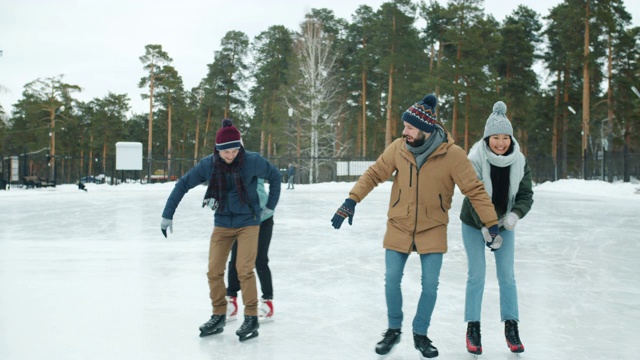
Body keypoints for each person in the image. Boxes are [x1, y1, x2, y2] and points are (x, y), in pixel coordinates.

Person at [331, 94, 501, 359]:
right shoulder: (398, 148)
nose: (404, 131)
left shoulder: (452, 155)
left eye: (409, 127)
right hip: (399, 223)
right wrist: (351, 200)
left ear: (425, 129)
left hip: (432, 227)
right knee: (391, 280)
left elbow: (474, 190)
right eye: (404, 127)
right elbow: (374, 173)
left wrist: (491, 223)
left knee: (430, 286)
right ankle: (393, 329)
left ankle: (420, 334)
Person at [160, 118, 281, 342]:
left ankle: (251, 317)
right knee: (214, 270)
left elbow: (275, 176)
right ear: (217, 149)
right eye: (226, 151)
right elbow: (183, 184)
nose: (230, 155)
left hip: (248, 222)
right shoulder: (209, 165)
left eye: (235, 150)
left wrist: (269, 207)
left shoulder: (252, 161)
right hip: (223, 223)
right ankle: (218, 314)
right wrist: (168, 214)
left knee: (244, 269)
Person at [459, 101, 533, 355]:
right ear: (487, 138)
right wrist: (485, 226)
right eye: (495, 137)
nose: (500, 143)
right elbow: (473, 195)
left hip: (504, 224)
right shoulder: (475, 160)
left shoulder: (519, 161)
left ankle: (511, 327)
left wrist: (514, 215)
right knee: (477, 275)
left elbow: (525, 194)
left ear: (510, 138)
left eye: (505, 137)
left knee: (507, 276)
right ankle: (473, 328)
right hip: (474, 223)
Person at [226, 178, 275, 322]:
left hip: (263, 219)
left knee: (260, 260)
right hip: (239, 220)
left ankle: (267, 301)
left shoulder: (253, 169)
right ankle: (232, 300)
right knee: (235, 259)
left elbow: (262, 197)